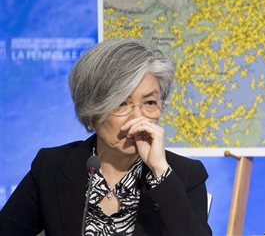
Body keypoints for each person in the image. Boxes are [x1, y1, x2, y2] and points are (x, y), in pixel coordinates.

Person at [0, 38, 213, 236]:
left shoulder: (185, 175)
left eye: (149, 103)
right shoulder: (51, 167)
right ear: (93, 110)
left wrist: (160, 172)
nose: (137, 119)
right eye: (121, 103)